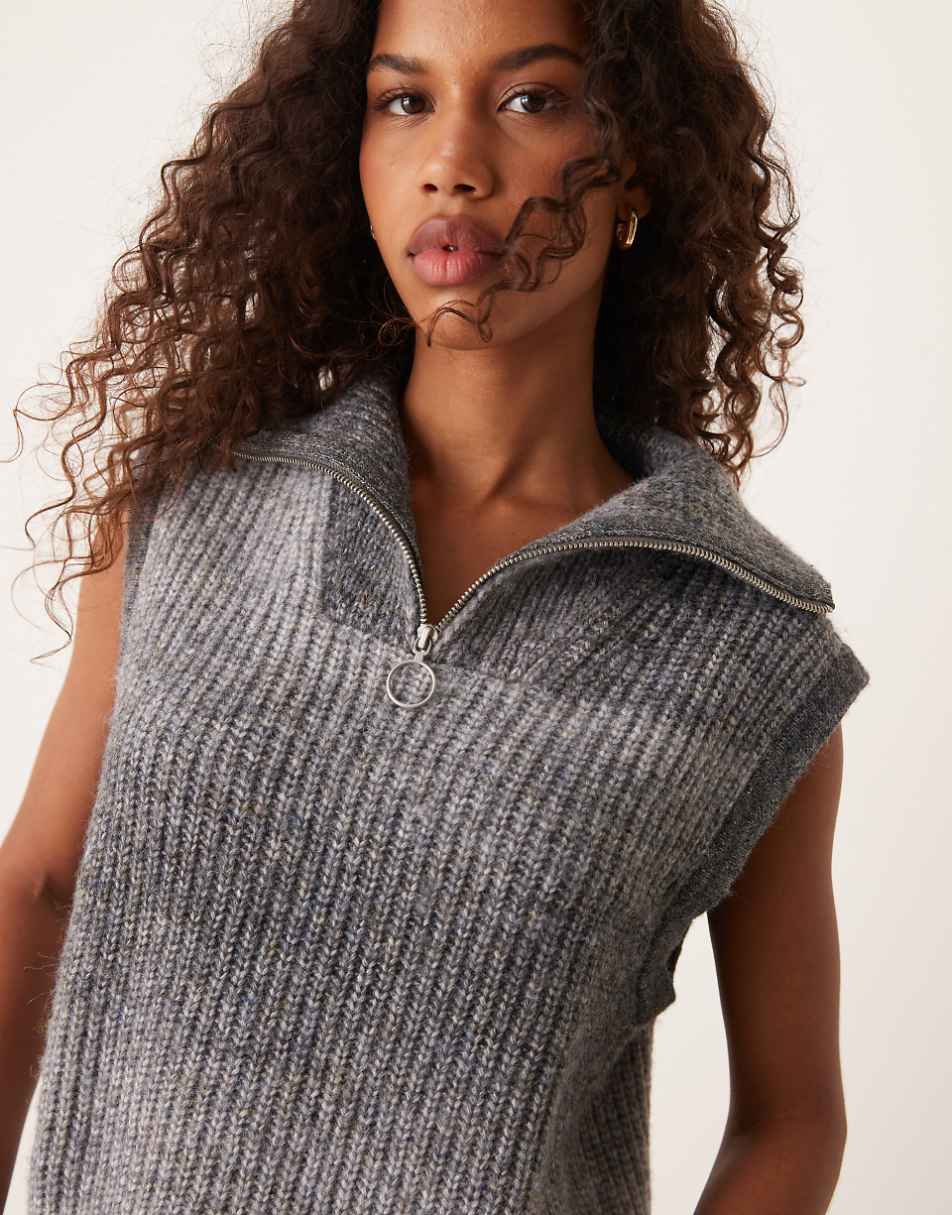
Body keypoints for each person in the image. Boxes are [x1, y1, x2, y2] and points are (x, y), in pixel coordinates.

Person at [0, 1, 871, 1212]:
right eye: (404, 101)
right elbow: (37, 887)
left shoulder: (748, 654)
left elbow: (789, 1119)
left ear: (637, 168)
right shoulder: (187, 513)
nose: (451, 161)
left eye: (530, 100)